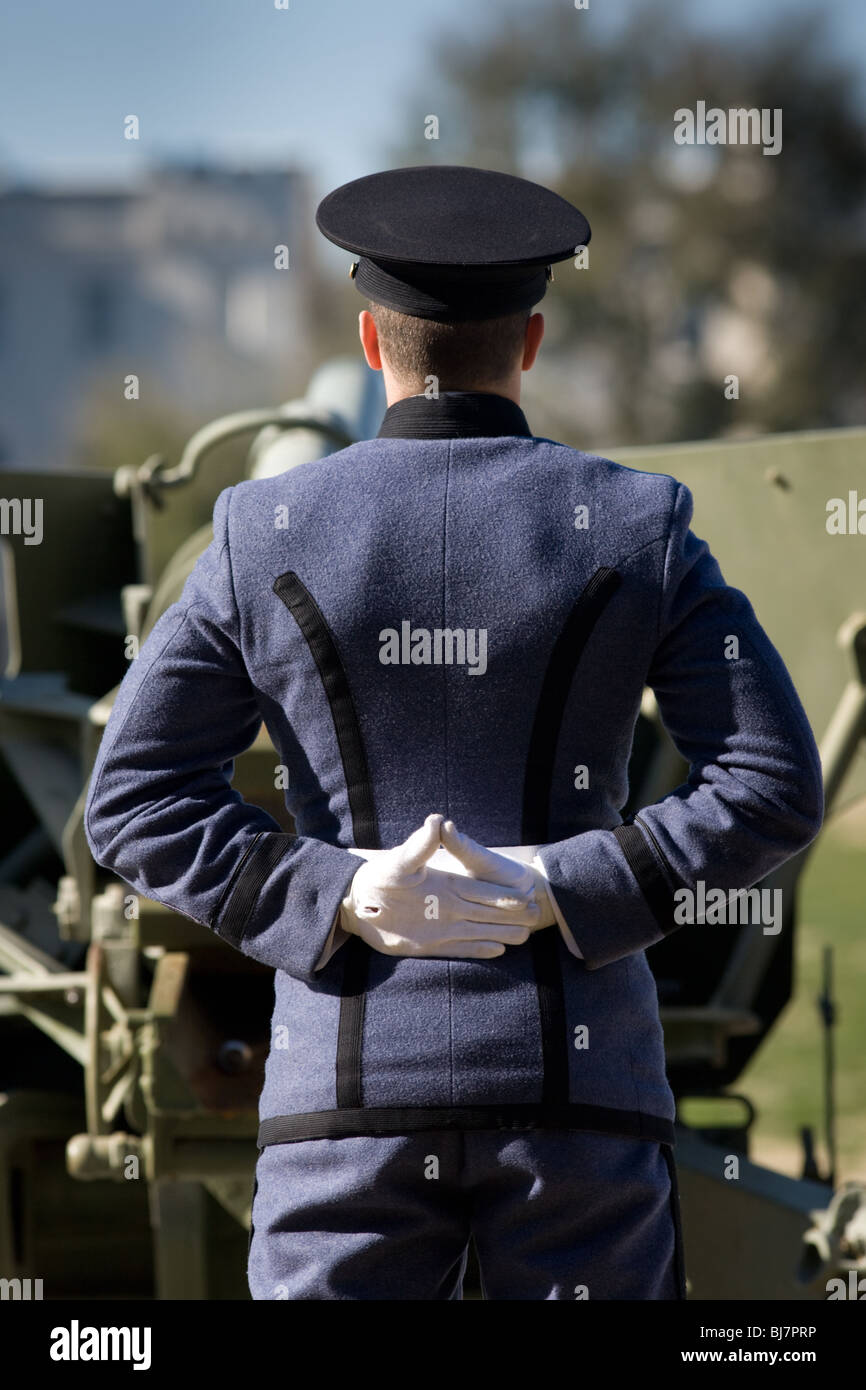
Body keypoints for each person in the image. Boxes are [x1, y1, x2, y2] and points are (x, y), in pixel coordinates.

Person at [84, 165, 824, 1300]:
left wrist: (337, 892)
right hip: (578, 1113)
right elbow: (770, 783)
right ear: (528, 342)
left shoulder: (256, 528)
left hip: (341, 1107)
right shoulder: (639, 522)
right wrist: (550, 887)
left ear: (372, 346)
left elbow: (130, 800)